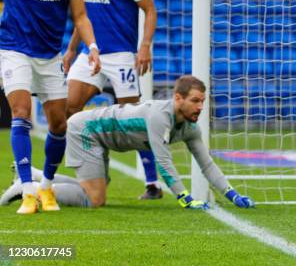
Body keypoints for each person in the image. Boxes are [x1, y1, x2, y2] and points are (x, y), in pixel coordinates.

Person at [5, 75, 252, 210]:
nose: (201, 106)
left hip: (100, 136)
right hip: (86, 130)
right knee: (94, 199)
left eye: (203, 101)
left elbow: (207, 164)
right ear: (178, 98)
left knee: (94, 188)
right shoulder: (160, 116)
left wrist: (233, 195)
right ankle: (31, 189)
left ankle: (36, 176)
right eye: (196, 101)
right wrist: (185, 198)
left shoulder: (190, 128)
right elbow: (163, 162)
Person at [0, 0, 101, 214]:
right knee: (21, 112)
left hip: (49, 55)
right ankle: (27, 192)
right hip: (14, 48)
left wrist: (92, 46)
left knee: (59, 124)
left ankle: (46, 187)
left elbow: (80, 15)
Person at [62, 0, 161, 200]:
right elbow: (83, 19)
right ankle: (94, 166)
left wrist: (144, 46)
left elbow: (150, 11)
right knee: (69, 107)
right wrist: (71, 49)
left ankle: (152, 183)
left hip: (121, 56)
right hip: (89, 53)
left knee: (133, 120)